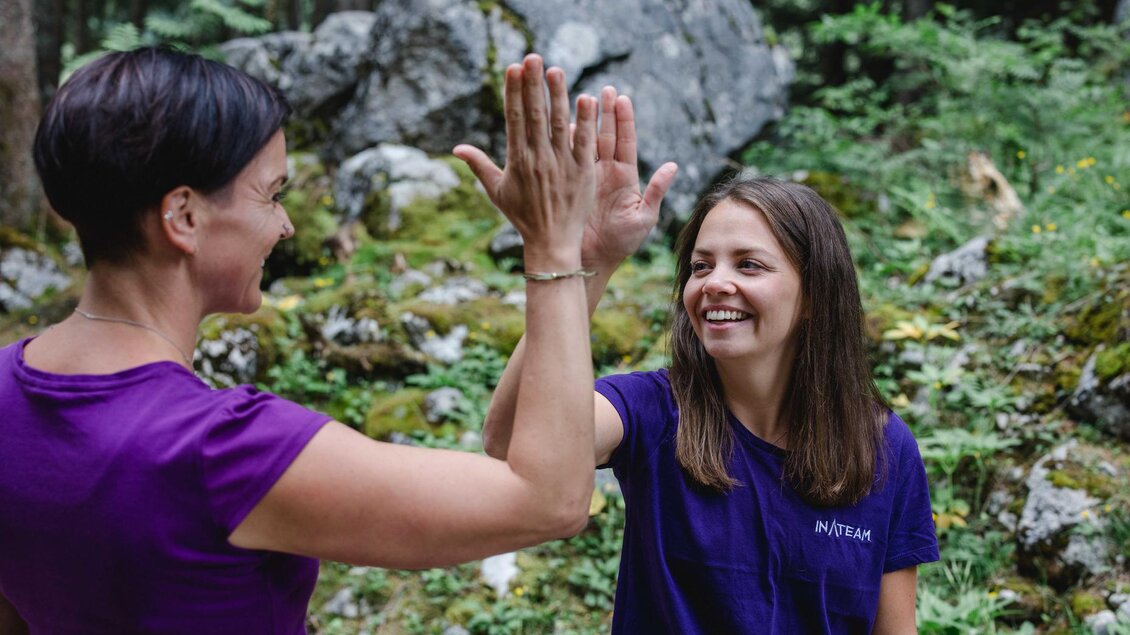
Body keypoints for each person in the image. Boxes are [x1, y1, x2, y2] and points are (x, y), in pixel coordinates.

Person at [0, 48, 600, 633]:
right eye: (272, 193)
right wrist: (553, 246)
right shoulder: (225, 448)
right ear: (183, 216)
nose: (286, 224)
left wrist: (590, 261)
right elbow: (548, 500)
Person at [469, 86, 940, 634]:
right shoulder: (650, 410)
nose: (716, 283)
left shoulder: (882, 447)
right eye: (700, 266)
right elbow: (511, 445)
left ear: (814, 295)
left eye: (749, 265)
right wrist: (585, 262)